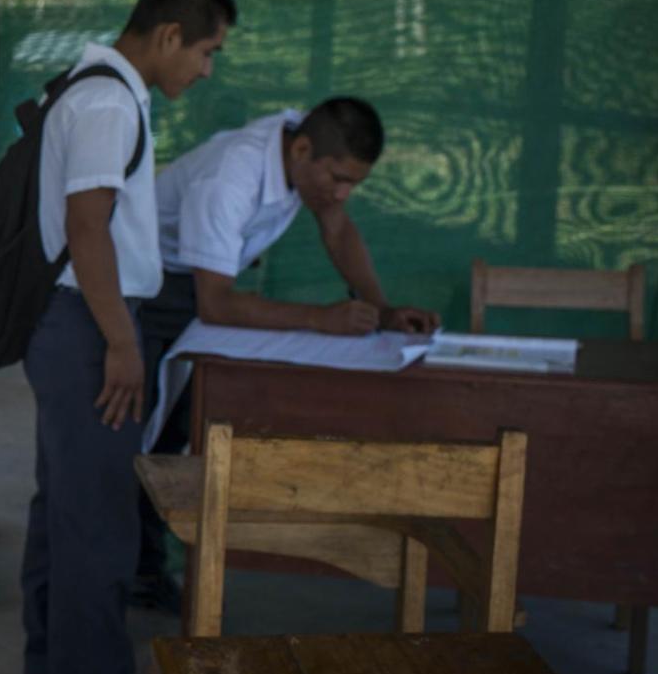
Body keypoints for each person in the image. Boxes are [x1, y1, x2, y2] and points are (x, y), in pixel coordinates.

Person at [20, 0, 236, 674]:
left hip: (74, 320)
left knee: (68, 507)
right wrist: (123, 344)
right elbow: (88, 229)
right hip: (90, 323)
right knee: (99, 523)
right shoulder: (109, 101)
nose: (205, 70)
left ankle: (61, 669)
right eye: (206, 52)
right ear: (169, 34)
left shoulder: (92, 88)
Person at [132, 97, 441, 610]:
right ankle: (121, 574)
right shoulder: (231, 176)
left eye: (353, 184)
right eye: (337, 179)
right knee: (137, 434)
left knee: (179, 431)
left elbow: (337, 229)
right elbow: (214, 304)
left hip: (203, 285)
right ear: (301, 150)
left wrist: (381, 310)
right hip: (152, 288)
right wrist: (320, 319)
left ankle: (142, 569)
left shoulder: (307, 159)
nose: (340, 194)